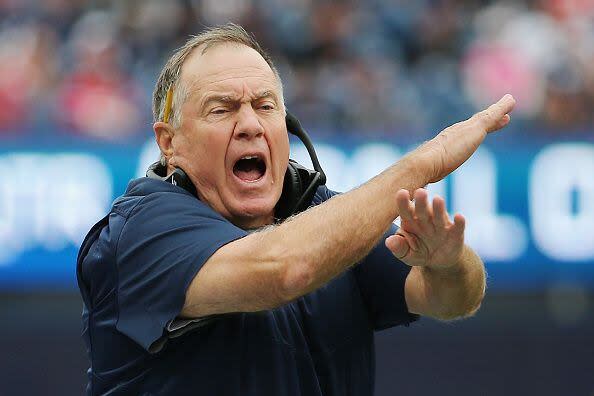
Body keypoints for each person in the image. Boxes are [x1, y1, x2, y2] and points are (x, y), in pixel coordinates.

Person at [77, 23, 515, 395]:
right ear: (169, 143)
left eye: (265, 106)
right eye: (222, 109)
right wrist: (424, 163)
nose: (250, 124)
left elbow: (454, 299)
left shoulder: (324, 214)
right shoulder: (139, 232)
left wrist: (448, 263)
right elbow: (286, 270)